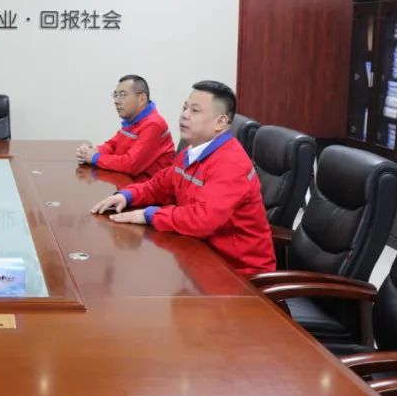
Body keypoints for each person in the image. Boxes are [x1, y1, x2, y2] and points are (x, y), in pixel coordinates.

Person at [90, 81, 275, 277]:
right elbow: (160, 185)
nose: (184, 115)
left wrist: (149, 215)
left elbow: (202, 220)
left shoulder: (231, 164)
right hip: (201, 255)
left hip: (240, 274)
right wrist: (126, 196)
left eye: (195, 111)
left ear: (220, 122)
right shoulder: (192, 151)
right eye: (185, 107)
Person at [76, 74, 174, 180]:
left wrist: (95, 157)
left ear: (142, 99)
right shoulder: (132, 120)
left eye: (122, 95)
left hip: (150, 187)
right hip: (130, 183)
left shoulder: (154, 124)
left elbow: (130, 165)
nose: (116, 101)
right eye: (115, 95)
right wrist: (93, 151)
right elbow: (112, 146)